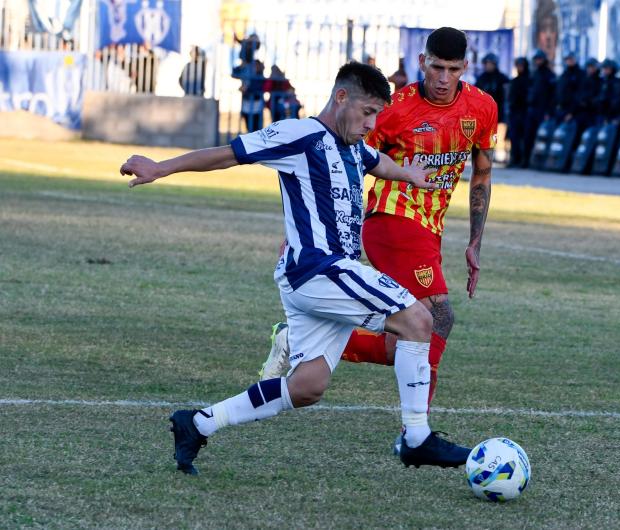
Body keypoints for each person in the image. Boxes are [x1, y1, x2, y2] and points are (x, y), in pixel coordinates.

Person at [120, 62, 472, 475]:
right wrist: (161, 167)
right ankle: (416, 438)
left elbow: (376, 162)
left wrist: (408, 175)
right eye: (367, 112)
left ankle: (197, 424)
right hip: (319, 268)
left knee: (307, 387)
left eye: (377, 114)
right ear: (341, 97)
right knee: (419, 319)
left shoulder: (354, 145)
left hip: (315, 278)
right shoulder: (299, 135)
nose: (371, 124)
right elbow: (228, 155)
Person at [259, 27, 497, 455]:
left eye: (452, 69)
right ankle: (416, 433)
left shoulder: (482, 108)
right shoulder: (396, 108)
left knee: (401, 342)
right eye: (436, 67)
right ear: (422, 62)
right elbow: (336, 159)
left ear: (466, 67)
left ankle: (295, 341)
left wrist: (475, 241)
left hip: (431, 228)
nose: (443, 78)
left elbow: (481, 174)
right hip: (392, 219)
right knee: (438, 317)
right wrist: (295, 232)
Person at [522, 50, 555, 168]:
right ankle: (526, 161)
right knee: (528, 136)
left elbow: (552, 96)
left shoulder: (549, 75)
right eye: (536, 59)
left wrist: (548, 112)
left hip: (543, 111)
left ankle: (539, 162)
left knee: (541, 137)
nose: (538, 61)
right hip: (531, 109)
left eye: (539, 59)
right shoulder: (534, 74)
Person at [232, 34, 266, 132]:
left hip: (256, 100)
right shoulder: (244, 66)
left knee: (257, 129)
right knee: (249, 127)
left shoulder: (257, 64)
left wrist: (247, 88)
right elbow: (234, 73)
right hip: (247, 100)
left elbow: (258, 82)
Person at [507, 57, 531, 168]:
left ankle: (524, 160)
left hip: (525, 113)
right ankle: (514, 159)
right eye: (518, 66)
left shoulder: (530, 81)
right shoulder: (514, 81)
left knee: (525, 138)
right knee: (514, 137)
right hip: (515, 112)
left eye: (521, 66)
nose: (519, 68)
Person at [475, 53, 509, 124]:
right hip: (483, 113)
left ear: (494, 64)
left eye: (489, 63)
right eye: (486, 63)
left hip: (498, 113)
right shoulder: (481, 78)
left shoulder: (502, 78)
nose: (487, 65)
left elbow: (507, 95)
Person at [553, 52, 584, 124]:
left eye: (571, 59)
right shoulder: (564, 74)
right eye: (567, 59)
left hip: (573, 113)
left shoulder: (580, 74)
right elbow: (558, 92)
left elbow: (579, 95)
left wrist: (571, 112)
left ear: (575, 59)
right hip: (561, 110)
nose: (569, 61)